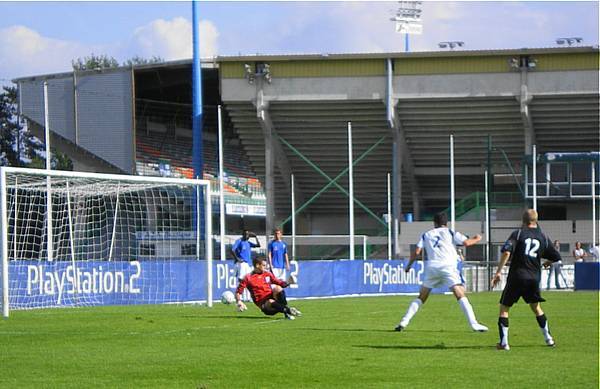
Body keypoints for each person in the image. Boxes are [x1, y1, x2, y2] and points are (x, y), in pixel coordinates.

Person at [395, 212, 488, 332]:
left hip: (432, 267)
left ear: (434, 223)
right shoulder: (450, 232)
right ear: (446, 223)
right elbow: (466, 243)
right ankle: (474, 324)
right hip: (447, 266)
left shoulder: (426, 234)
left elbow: (417, 251)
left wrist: (409, 266)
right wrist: (477, 238)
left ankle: (404, 322)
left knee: (421, 297)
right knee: (460, 294)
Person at [491, 209, 562, 351]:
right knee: (536, 308)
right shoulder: (543, 237)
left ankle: (504, 343)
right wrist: (547, 262)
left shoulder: (518, 234)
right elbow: (556, 256)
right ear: (536, 220)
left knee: (504, 309)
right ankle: (549, 339)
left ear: (523, 220)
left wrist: (498, 272)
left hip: (517, 276)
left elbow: (506, 251)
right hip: (534, 278)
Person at [235, 257, 302, 320]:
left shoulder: (267, 274)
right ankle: (289, 310)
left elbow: (278, 282)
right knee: (270, 301)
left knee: (278, 288)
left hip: (272, 298)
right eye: (264, 265)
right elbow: (238, 292)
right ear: (257, 265)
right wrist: (239, 301)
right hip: (265, 305)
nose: (266, 267)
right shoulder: (248, 277)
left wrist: (288, 283)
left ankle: (287, 312)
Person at [232, 230, 261, 301]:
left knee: (248, 280)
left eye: (248, 235)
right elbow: (232, 250)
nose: (247, 236)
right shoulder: (239, 241)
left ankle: (247, 297)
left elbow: (258, 245)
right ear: (243, 235)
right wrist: (237, 258)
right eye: (246, 234)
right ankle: (239, 296)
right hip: (242, 263)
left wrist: (256, 237)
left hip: (248, 264)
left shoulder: (248, 243)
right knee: (241, 280)